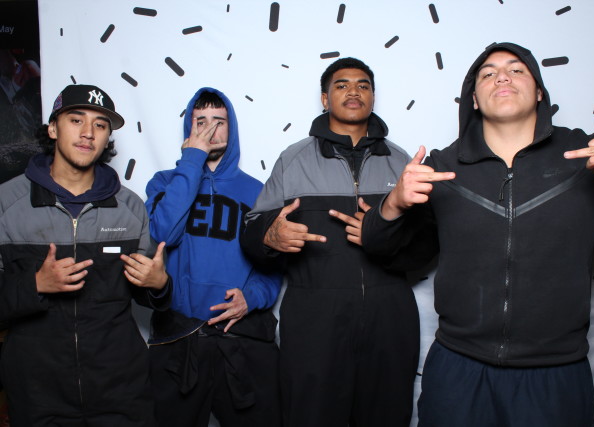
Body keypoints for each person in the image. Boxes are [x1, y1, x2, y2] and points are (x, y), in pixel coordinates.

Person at [361, 42, 594, 427]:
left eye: (516, 70)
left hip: (556, 373)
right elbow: (378, 247)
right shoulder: (441, 166)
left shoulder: (587, 155)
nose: (502, 77)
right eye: (488, 73)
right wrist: (393, 203)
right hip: (458, 370)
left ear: (539, 92)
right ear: (474, 99)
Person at [241, 58, 420, 427]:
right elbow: (252, 228)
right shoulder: (293, 159)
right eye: (342, 85)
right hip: (314, 319)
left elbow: (424, 242)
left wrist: (381, 233)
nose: (354, 91)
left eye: (363, 85)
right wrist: (269, 234)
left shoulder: (402, 160)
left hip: (390, 318)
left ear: (373, 97)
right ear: (325, 99)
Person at [0, 83, 172, 426]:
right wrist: (36, 285)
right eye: (76, 120)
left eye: (100, 125)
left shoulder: (130, 206)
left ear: (107, 138)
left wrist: (159, 285)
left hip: (120, 389)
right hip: (38, 392)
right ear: (53, 128)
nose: (88, 133)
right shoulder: (7, 202)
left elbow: (149, 295)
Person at [145, 88, 282, 427]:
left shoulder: (258, 191)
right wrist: (192, 160)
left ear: (231, 128)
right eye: (201, 121)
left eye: (219, 121)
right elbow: (163, 235)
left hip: (240, 339)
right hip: (179, 339)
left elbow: (274, 262)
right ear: (188, 129)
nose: (210, 130)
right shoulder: (164, 183)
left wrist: (252, 298)